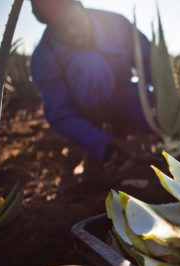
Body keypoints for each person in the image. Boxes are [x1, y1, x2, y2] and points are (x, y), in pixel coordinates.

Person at [30, 0, 153, 163]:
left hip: (127, 100)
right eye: (61, 27)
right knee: (89, 65)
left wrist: (178, 107)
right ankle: (101, 140)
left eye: (73, 20)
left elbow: (153, 64)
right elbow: (60, 115)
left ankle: (127, 126)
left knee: (157, 114)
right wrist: (106, 143)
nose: (72, 31)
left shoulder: (115, 24)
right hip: (87, 118)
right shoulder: (43, 57)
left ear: (78, 5)